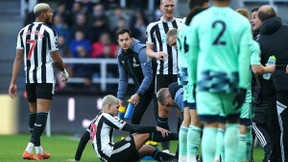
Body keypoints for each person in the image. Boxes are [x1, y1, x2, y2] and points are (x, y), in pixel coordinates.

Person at [187, 0, 252, 161]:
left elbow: (193, 57)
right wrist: (243, 87)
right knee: (232, 124)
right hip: (231, 78)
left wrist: (194, 82)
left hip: (207, 78)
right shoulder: (241, 21)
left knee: (210, 125)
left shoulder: (199, 20)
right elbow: (244, 58)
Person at [8, 3, 69, 160]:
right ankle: (29, 149)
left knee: (33, 113)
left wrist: (13, 82)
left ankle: (39, 151)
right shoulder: (49, 32)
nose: (52, 14)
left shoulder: (22, 32)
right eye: (49, 12)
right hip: (45, 78)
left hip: (30, 78)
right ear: (43, 14)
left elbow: (18, 58)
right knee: (42, 114)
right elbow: (56, 58)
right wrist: (64, 71)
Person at [67, 95, 178, 161]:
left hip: (107, 156)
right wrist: (155, 127)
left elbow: (84, 139)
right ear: (109, 106)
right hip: (111, 154)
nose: (118, 110)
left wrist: (77, 159)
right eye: (117, 107)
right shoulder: (106, 116)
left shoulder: (97, 119)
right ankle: (178, 136)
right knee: (145, 134)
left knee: (148, 149)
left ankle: (175, 160)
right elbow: (131, 127)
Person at [146, 0, 183, 152]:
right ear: (161, 7)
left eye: (171, 5)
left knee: (183, 113)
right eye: (166, 6)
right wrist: (155, 54)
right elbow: (148, 49)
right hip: (162, 75)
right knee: (163, 112)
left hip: (181, 75)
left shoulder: (183, 24)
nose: (169, 8)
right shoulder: (152, 27)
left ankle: (182, 150)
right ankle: (166, 151)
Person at [257, 5, 288, 161]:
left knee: (279, 129)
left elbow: (256, 69)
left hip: (274, 90)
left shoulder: (260, 41)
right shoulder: (286, 30)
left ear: (261, 20)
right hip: (280, 88)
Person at [116, 28, 155, 125]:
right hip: (142, 90)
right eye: (121, 40)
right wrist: (119, 98)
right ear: (118, 42)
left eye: (126, 39)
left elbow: (148, 76)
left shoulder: (141, 51)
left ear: (131, 39)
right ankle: (135, 140)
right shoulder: (120, 55)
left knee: (161, 116)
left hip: (156, 87)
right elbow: (123, 78)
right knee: (135, 119)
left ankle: (165, 140)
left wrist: (138, 94)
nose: (124, 42)